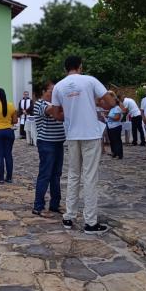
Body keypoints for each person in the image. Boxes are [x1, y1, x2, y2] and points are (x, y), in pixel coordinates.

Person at [51, 55, 115, 234]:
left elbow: (56, 114)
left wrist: (72, 113)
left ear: (66, 69)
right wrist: (95, 104)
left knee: (73, 175)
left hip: (72, 134)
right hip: (90, 134)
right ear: (80, 66)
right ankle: (90, 222)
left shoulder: (59, 86)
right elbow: (110, 103)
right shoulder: (90, 81)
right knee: (90, 176)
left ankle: (69, 216)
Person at [32, 81, 66, 217]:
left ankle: (55, 204)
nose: (55, 93)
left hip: (58, 142)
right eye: (52, 91)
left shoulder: (56, 104)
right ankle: (38, 206)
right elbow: (51, 111)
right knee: (45, 174)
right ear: (43, 92)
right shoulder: (41, 104)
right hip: (47, 143)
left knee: (56, 175)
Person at [0, 88, 18, 184]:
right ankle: (9, 178)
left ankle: (1, 178)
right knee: (8, 154)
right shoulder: (11, 106)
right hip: (9, 131)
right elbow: (15, 121)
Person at [106, 92, 123, 159]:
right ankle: (114, 153)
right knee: (112, 140)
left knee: (117, 140)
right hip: (110, 126)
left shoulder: (117, 108)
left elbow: (117, 118)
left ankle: (119, 154)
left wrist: (108, 116)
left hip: (116, 126)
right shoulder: (112, 108)